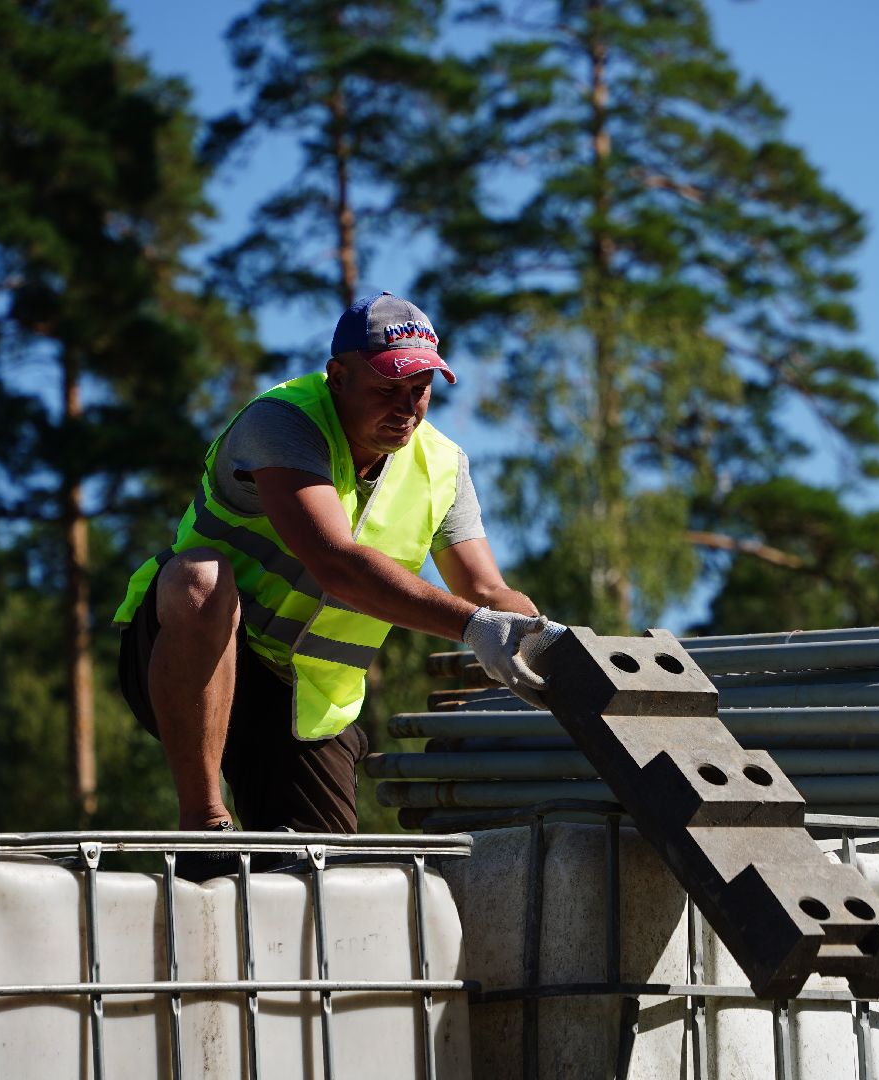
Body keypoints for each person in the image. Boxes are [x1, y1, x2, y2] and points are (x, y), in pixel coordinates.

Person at [113, 291, 558, 878]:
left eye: (419, 388)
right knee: (201, 580)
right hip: (194, 651)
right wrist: (474, 628)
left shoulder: (444, 465)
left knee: (320, 886)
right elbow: (335, 561)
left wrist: (550, 643)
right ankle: (204, 826)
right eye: (385, 388)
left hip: (306, 703)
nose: (406, 407)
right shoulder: (282, 422)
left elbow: (486, 591)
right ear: (337, 376)